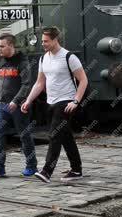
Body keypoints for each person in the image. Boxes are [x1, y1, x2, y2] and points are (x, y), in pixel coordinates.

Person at [21, 26, 87, 183]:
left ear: (56, 40)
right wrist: (29, 100)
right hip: (50, 102)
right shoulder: (44, 58)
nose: (43, 44)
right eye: (42, 41)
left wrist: (76, 101)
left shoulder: (69, 57)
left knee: (55, 135)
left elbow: (83, 80)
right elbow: (39, 83)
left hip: (66, 102)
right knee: (65, 137)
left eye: (46, 41)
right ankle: (77, 170)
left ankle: (46, 171)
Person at [0, 33, 37, 177]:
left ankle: (32, 166)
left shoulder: (23, 62)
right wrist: (0, 98)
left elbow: (26, 84)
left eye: (2, 46)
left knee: (24, 135)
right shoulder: (2, 61)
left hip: (19, 106)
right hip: (2, 105)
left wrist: (16, 101)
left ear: (11, 45)